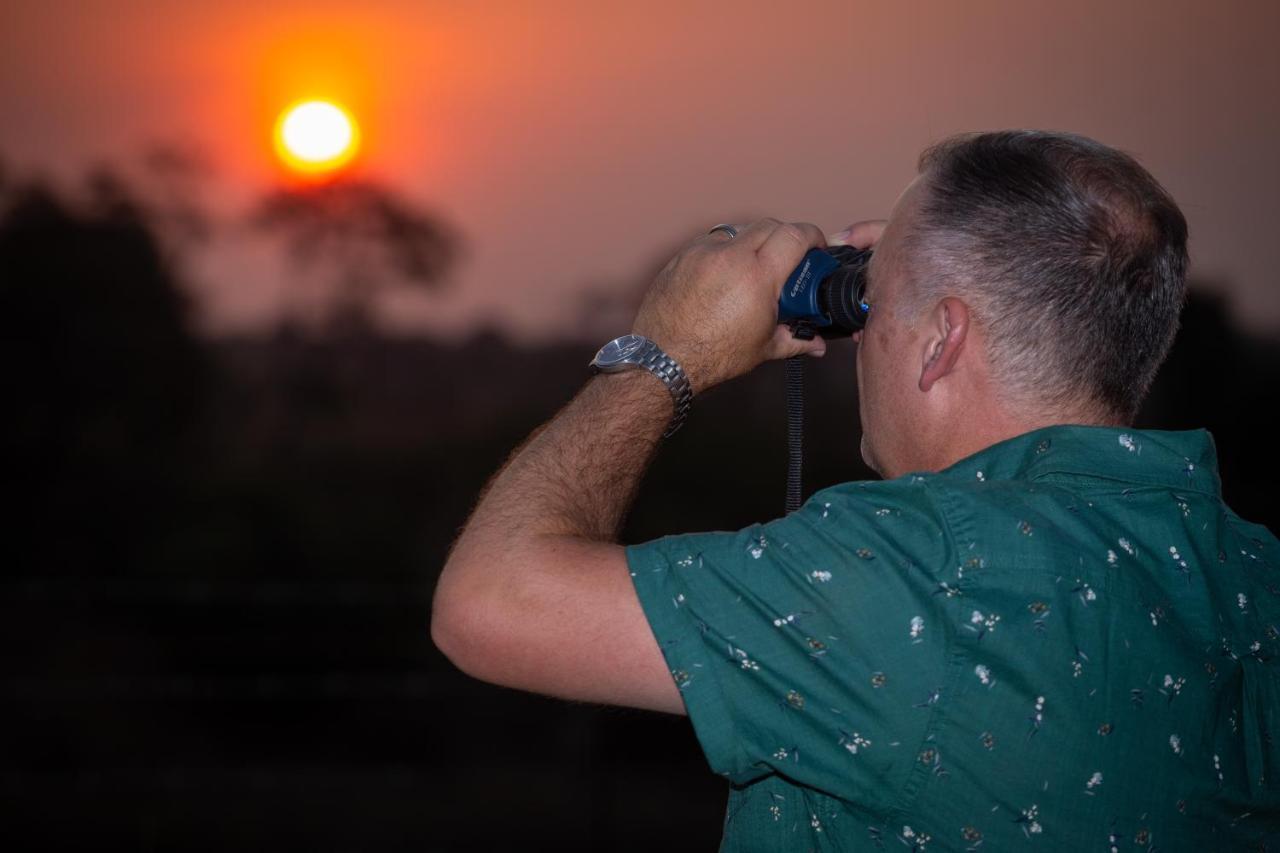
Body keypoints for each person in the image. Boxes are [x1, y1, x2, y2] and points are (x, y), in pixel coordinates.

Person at [431, 129, 1280, 850]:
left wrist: (667, 353)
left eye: (874, 301)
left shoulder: (914, 576)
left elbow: (490, 601)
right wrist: (910, 273)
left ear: (941, 341)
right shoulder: (1245, 571)